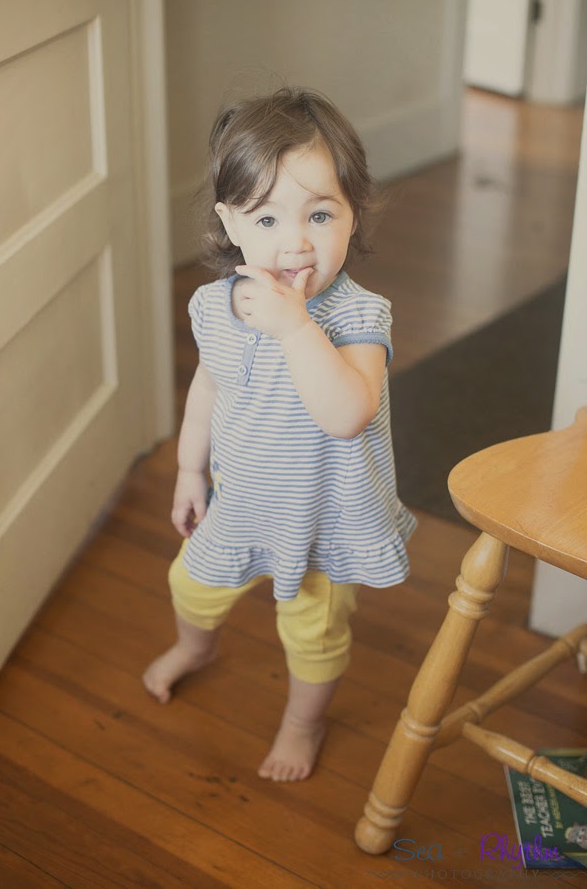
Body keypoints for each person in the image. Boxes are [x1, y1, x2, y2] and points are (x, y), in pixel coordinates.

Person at [143, 86, 416, 782]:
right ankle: (196, 648)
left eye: (320, 214)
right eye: (266, 217)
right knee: (190, 586)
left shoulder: (358, 317)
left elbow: (347, 413)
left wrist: (297, 329)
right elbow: (209, 387)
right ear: (230, 223)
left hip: (323, 520)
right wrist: (189, 470)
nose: (295, 241)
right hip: (240, 501)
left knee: (313, 635)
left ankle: (303, 721)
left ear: (353, 215)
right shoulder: (214, 307)